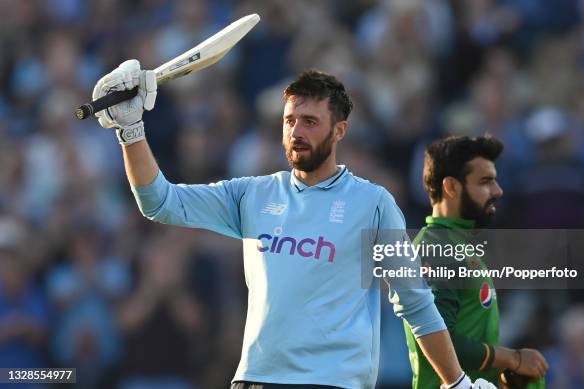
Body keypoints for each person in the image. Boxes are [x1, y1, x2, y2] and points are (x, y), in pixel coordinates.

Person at [91, 60, 496, 389]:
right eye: (289, 121)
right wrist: (131, 131)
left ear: (340, 131)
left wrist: (455, 382)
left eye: (309, 121)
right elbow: (159, 202)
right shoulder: (252, 194)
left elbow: (416, 302)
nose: (296, 132)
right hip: (255, 380)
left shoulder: (373, 203)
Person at [403, 135, 549, 388]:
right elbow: (438, 336)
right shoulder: (438, 248)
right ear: (451, 187)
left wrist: (501, 375)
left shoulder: (456, 243)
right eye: (485, 182)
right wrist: (513, 359)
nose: (498, 191)